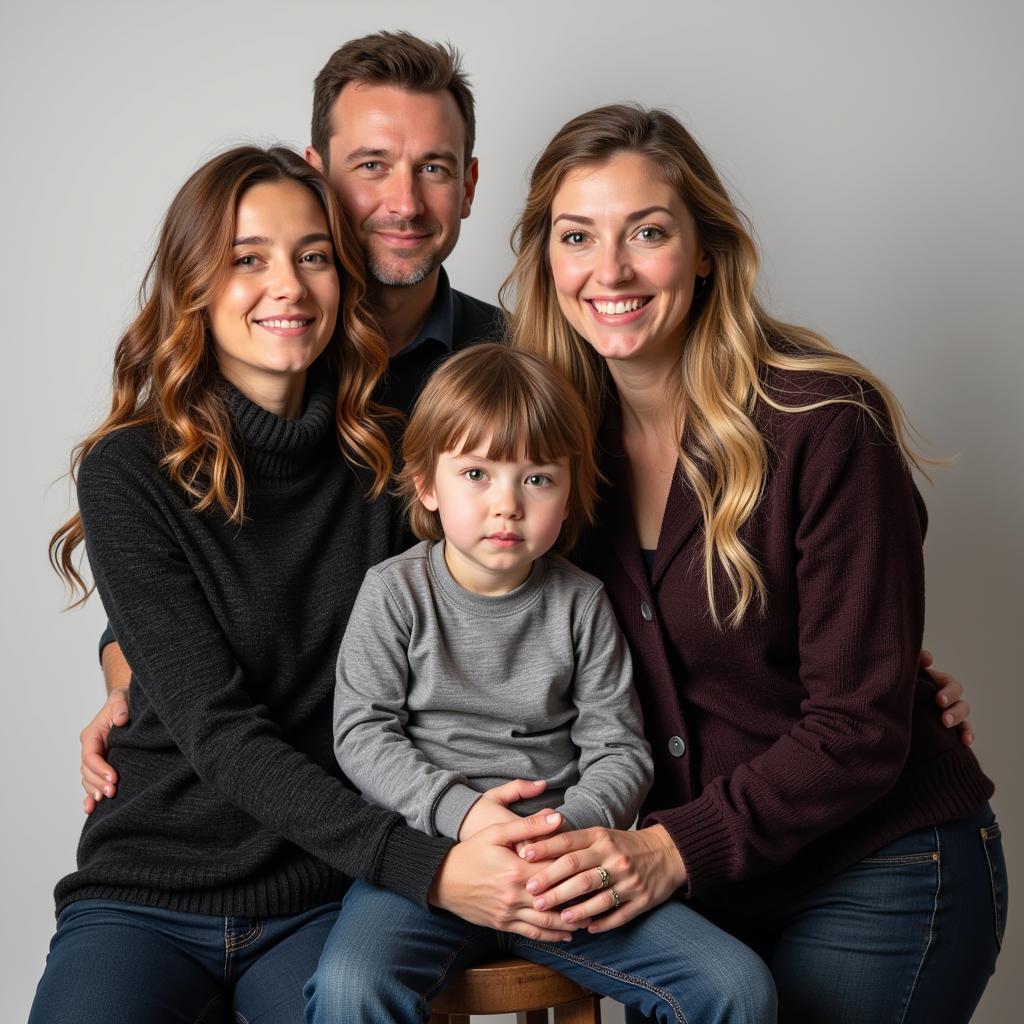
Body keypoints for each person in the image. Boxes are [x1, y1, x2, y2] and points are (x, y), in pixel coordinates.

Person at [81, 30, 973, 817]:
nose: (403, 202)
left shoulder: (539, 367)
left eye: (433, 167)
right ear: (316, 179)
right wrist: (132, 670)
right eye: (371, 166)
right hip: (369, 811)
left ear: (470, 186)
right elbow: (221, 562)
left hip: (567, 807)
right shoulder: (272, 368)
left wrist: (874, 671)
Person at [31, 146, 562, 1024]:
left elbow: (491, 623)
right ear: (194, 284)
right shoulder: (129, 472)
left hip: (323, 894)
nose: (289, 285)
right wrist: (426, 864)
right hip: (148, 890)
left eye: (313, 255)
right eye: (248, 258)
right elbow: (217, 729)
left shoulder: (395, 459)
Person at [503, 104, 1006, 1022]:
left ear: (704, 250)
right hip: (708, 893)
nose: (609, 271)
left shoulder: (823, 425)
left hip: (875, 868)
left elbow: (858, 725)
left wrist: (668, 849)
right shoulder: (542, 454)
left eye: (647, 232)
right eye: (578, 237)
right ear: (548, 260)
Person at [305, 344, 778, 1022]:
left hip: (564, 867)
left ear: (570, 491)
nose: (507, 506)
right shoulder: (394, 594)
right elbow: (361, 733)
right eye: (476, 473)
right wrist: (466, 817)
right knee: (352, 986)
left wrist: (563, 839)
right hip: (428, 868)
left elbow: (619, 750)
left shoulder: (581, 602)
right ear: (429, 485)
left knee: (734, 983)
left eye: (537, 479)